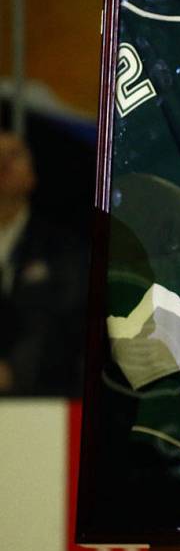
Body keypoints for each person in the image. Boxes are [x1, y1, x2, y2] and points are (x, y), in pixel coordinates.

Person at [0, 131, 87, 396]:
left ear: (32, 175)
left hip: (46, 400)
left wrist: (15, 371)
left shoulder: (62, 248)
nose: (3, 163)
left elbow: (66, 321)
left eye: (13, 155)